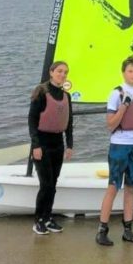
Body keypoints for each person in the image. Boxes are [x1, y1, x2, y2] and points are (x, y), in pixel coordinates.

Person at [95, 55, 133, 247]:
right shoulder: (116, 93)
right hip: (119, 145)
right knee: (113, 187)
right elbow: (110, 124)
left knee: (130, 188)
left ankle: (128, 230)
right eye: (130, 71)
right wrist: (124, 105)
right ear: (123, 72)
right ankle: (102, 230)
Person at [29, 61, 75, 236]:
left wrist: (69, 145)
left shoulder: (66, 96)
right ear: (51, 72)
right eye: (59, 71)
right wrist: (35, 145)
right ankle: (38, 221)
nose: (62, 75)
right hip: (42, 143)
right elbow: (32, 120)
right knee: (46, 184)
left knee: (53, 184)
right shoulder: (41, 92)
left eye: (65, 72)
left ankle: (48, 218)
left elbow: (69, 122)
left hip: (58, 144)